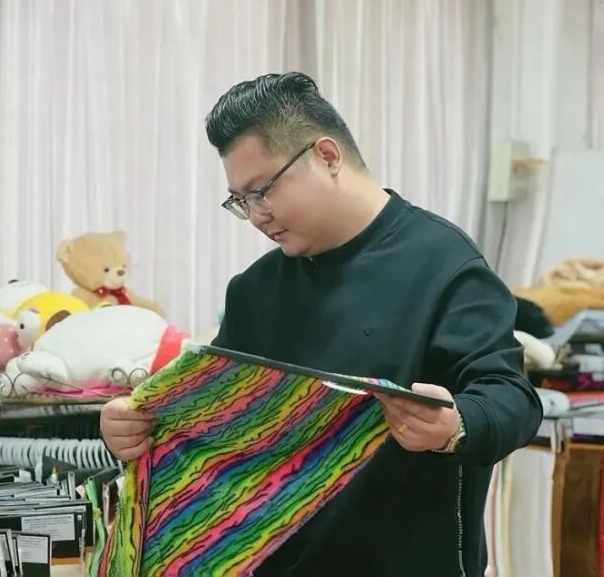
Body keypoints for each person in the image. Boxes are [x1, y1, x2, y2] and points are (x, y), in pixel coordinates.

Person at [100, 72, 543, 576]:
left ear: (327, 156)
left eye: (262, 191)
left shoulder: (444, 265)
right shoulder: (254, 290)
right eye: (241, 201)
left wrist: (455, 424)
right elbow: (213, 425)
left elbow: (513, 399)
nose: (257, 216)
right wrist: (136, 424)